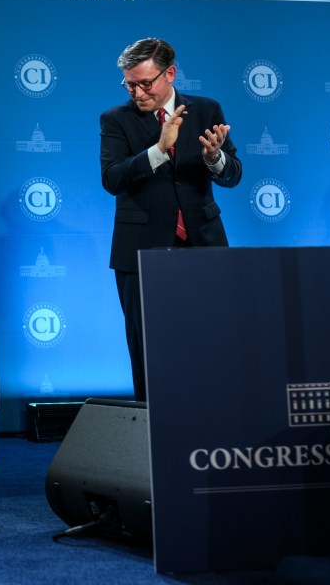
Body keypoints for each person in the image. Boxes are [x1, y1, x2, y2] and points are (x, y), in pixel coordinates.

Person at [100, 38, 242, 401]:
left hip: (204, 243)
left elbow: (233, 174)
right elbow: (112, 179)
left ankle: (214, 417)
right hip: (141, 250)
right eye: (129, 84)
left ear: (170, 73)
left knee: (213, 337)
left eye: (145, 83)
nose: (137, 92)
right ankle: (152, 432)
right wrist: (159, 150)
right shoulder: (116, 119)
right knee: (147, 345)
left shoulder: (207, 110)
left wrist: (215, 159)